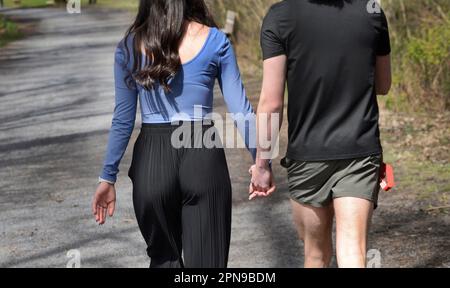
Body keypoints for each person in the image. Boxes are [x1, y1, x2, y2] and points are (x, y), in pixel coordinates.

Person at [92, 0, 256, 268]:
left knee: (163, 260)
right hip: (202, 152)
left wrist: (107, 177)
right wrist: (261, 161)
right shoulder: (214, 40)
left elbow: (123, 119)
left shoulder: (129, 47)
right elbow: (240, 108)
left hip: (153, 162)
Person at [250, 0, 392, 268]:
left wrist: (262, 164)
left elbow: (271, 102)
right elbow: (383, 85)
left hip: (307, 155)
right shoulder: (371, 11)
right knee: (353, 251)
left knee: (315, 255)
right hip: (359, 150)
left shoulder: (280, 16)